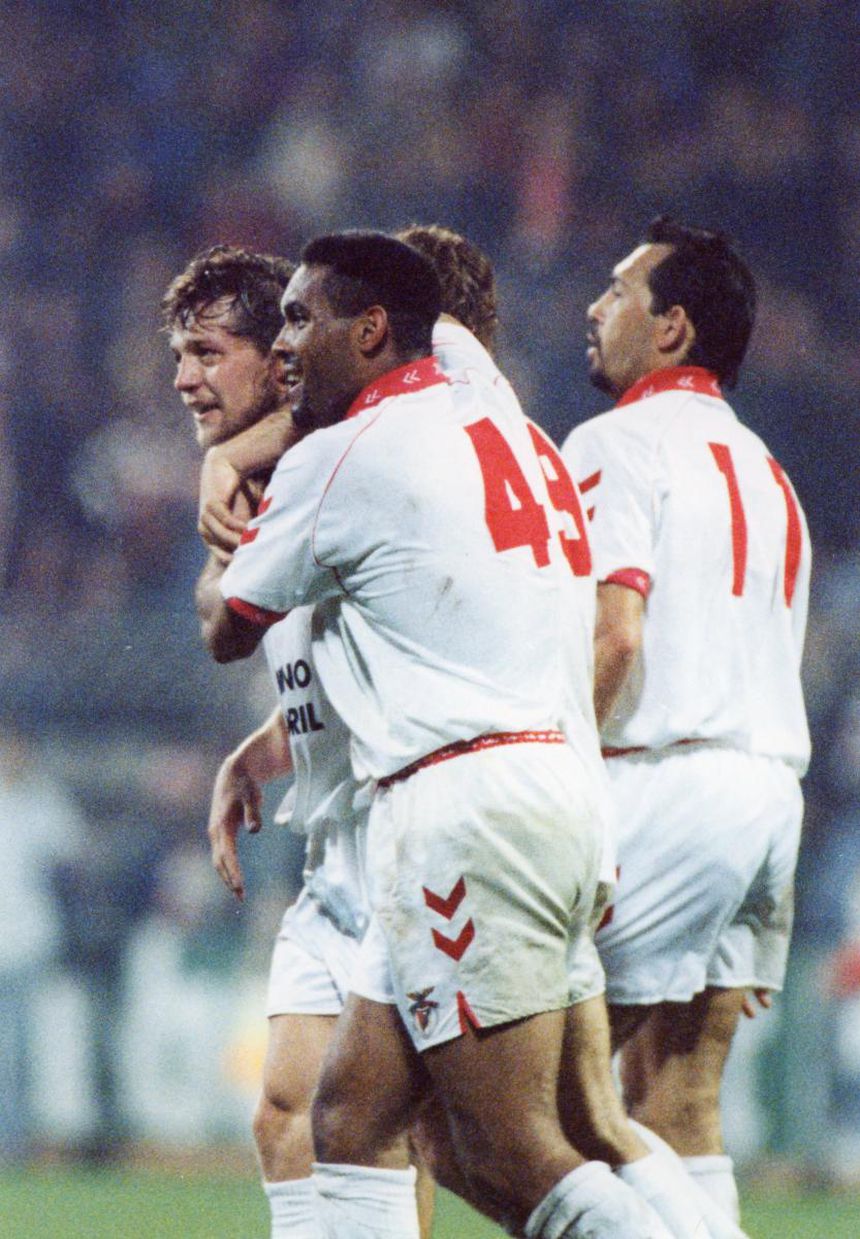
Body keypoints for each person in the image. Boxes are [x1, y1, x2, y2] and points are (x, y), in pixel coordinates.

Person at [197, 227, 712, 1239]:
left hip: (460, 814)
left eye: (300, 318)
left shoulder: (344, 455)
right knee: (351, 1119)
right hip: (558, 790)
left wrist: (221, 520)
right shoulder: (510, 427)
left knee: (513, 1151)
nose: (284, 342)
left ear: (371, 329)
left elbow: (227, 628)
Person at [561, 216, 811, 1226]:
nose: (593, 308)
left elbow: (613, 635)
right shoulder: (767, 470)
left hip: (662, 791)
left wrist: (549, 772)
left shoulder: (613, 444)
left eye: (617, 292)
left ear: (670, 329)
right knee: (677, 1100)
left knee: (535, 1106)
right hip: (765, 797)